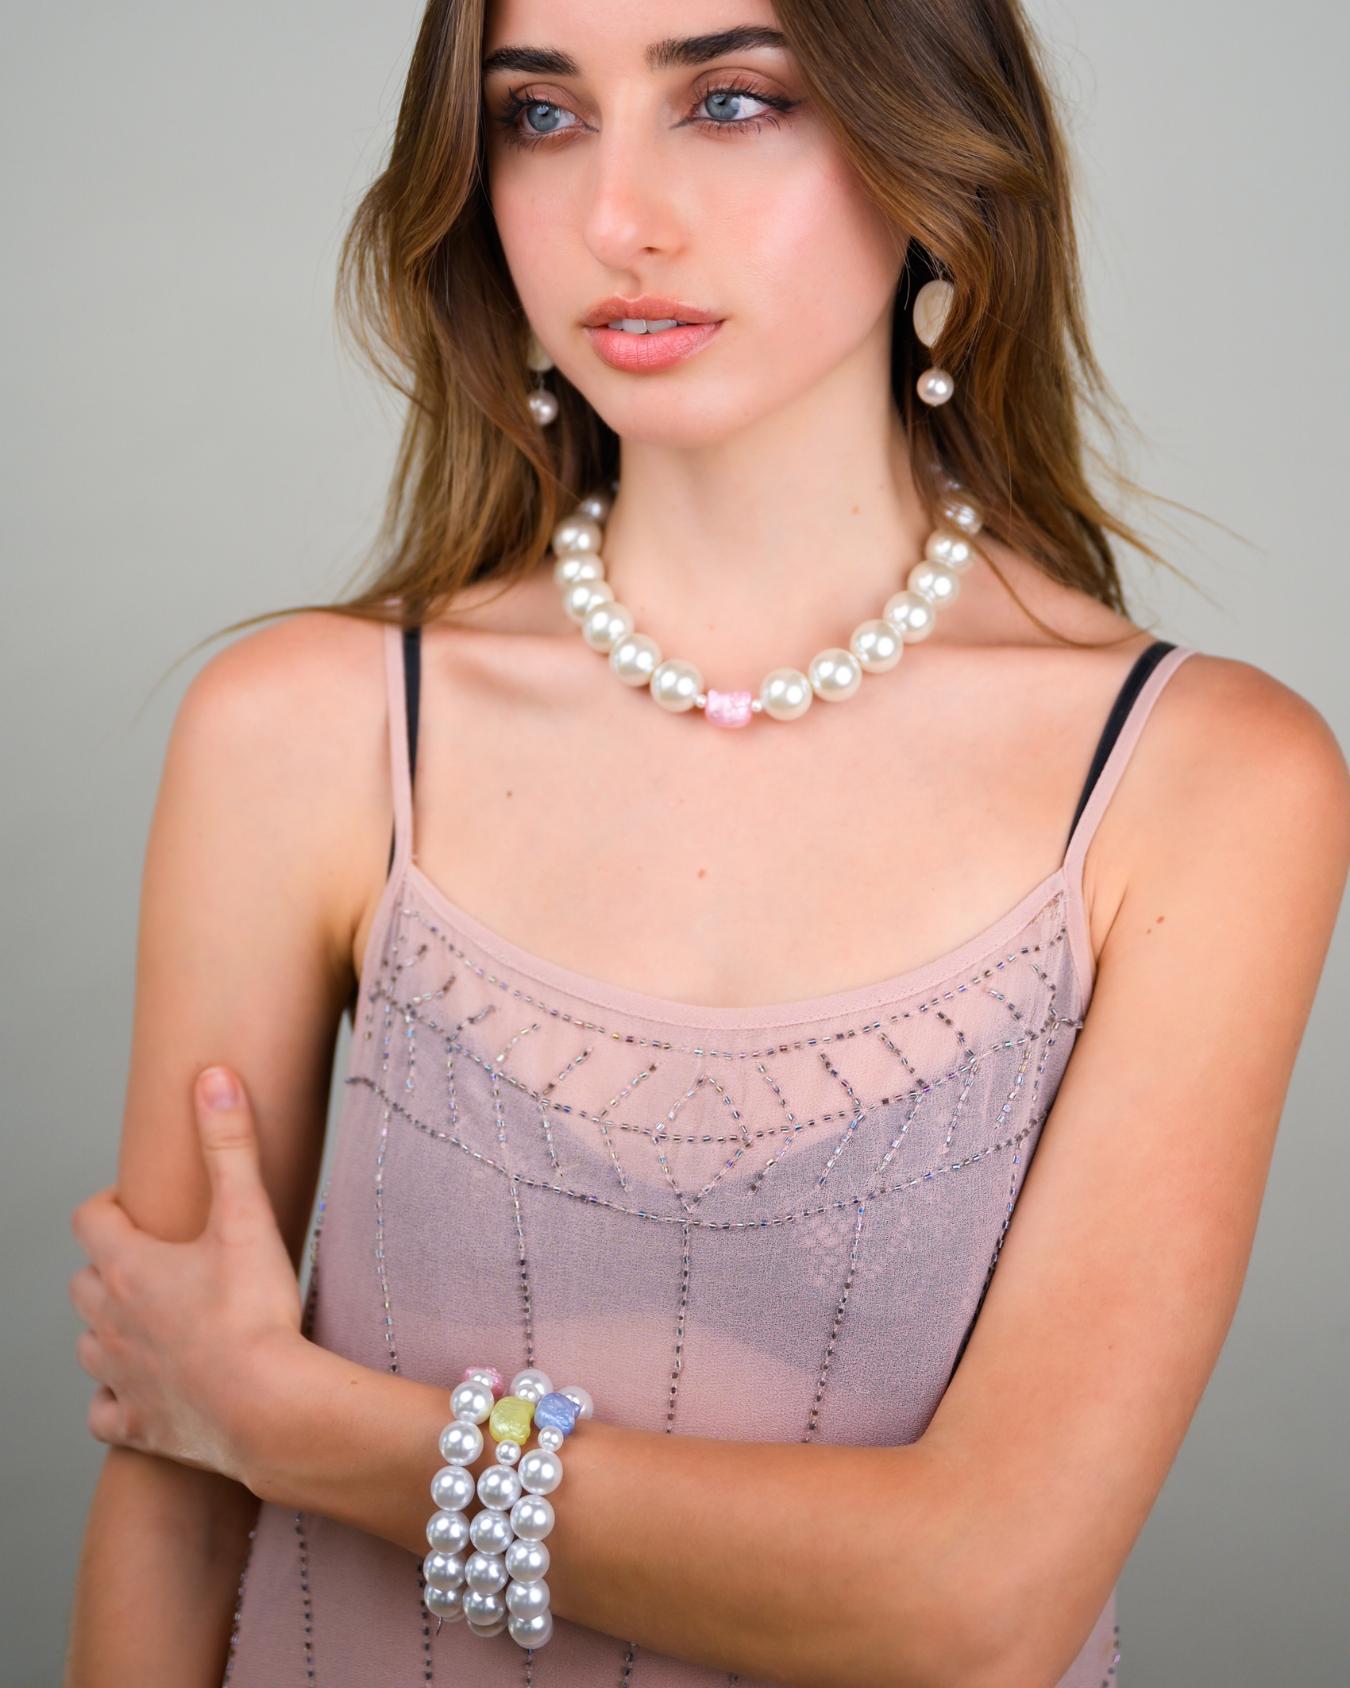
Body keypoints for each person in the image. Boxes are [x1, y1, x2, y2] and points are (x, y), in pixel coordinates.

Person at [63, 0, 1350, 1684]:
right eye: (538, 117)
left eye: (732, 102)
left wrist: (293, 1423)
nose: (616, 218)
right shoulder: (304, 731)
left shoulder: (1202, 780)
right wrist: (231, 1422)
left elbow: (977, 1600)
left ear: (936, 155)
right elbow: (170, 1499)